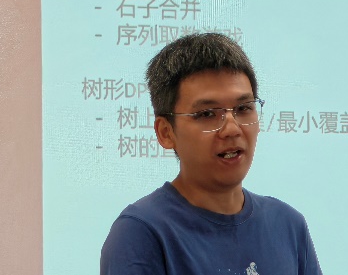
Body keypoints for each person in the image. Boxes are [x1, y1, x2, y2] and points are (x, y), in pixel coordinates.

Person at [101, 33, 323, 275]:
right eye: (207, 114)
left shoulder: (288, 225)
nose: (231, 129)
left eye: (243, 108)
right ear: (166, 132)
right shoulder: (142, 233)